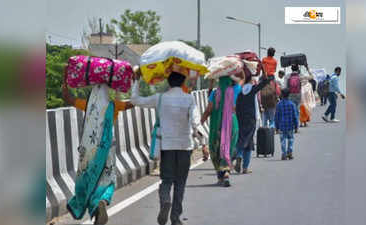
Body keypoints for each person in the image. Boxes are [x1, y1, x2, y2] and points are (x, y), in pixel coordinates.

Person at [130, 70, 203, 225]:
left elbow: (135, 100)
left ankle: (165, 201)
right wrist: (203, 143)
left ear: (168, 83)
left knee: (166, 180)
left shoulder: (160, 98)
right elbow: (195, 122)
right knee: (180, 183)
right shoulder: (189, 99)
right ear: (183, 83)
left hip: (167, 146)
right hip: (185, 146)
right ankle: (175, 218)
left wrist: (136, 81)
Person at [62, 79, 133, 225]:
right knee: (107, 180)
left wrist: (65, 84)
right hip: (108, 149)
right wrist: (136, 83)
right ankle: (101, 201)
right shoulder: (114, 105)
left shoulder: (88, 105)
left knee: (90, 179)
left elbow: (68, 98)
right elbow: (132, 103)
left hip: (90, 149)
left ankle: (94, 208)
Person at [201, 75, 242, 187]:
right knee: (229, 147)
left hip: (216, 125)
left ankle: (220, 176)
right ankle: (227, 172)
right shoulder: (235, 90)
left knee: (216, 149)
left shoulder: (215, 93)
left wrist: (201, 121)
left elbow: (209, 110)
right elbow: (241, 79)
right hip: (232, 124)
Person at [235, 75, 269, 174]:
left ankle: (241, 161)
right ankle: (241, 160)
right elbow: (265, 82)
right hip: (250, 119)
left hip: (240, 118)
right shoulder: (252, 89)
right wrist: (264, 72)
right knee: (248, 141)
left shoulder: (239, 90)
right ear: (251, 80)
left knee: (242, 139)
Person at [283, 64, 314, 131]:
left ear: (291, 69)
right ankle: (296, 126)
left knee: (290, 110)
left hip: (290, 95)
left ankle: (291, 125)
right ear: (298, 69)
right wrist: (307, 68)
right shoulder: (300, 76)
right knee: (296, 110)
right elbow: (312, 77)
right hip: (298, 95)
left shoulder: (287, 76)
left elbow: (284, 87)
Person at [275, 89, 298, 160]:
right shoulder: (292, 104)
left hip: (282, 126)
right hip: (290, 125)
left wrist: (276, 127)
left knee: (283, 140)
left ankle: (284, 154)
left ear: (282, 95)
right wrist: (296, 125)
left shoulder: (279, 104)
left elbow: (277, 116)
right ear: (289, 95)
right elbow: (295, 115)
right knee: (291, 139)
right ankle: (290, 152)